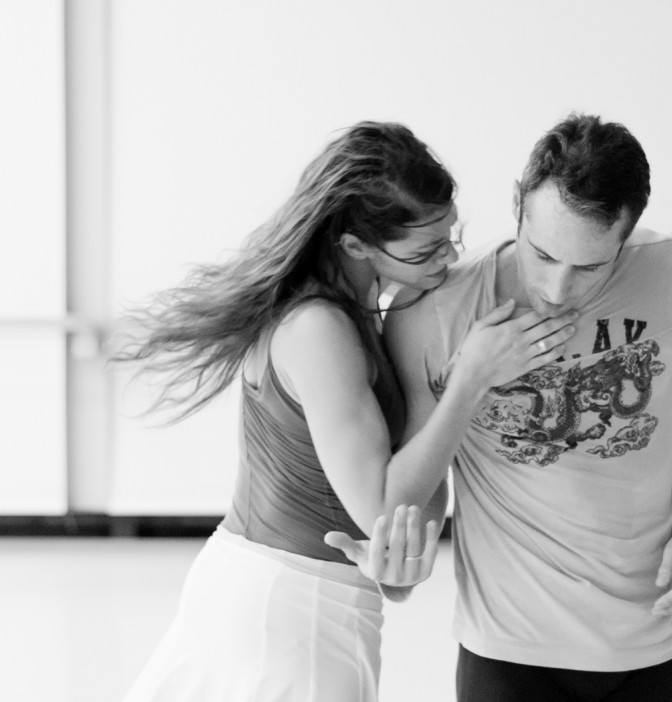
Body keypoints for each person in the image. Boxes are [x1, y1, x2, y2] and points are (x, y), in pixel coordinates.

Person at [114, 121, 577, 701]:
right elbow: (382, 507)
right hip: (287, 606)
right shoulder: (319, 329)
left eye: (451, 237)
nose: (448, 258)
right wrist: (472, 381)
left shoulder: (362, 314)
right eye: (426, 249)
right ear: (356, 245)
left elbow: (410, 499)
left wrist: (399, 562)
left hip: (311, 596)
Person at [384, 113, 672, 701]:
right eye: (543, 255)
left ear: (628, 236)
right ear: (517, 206)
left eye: (588, 268)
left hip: (647, 640)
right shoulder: (433, 311)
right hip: (506, 649)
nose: (556, 289)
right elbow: (422, 481)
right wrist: (406, 554)